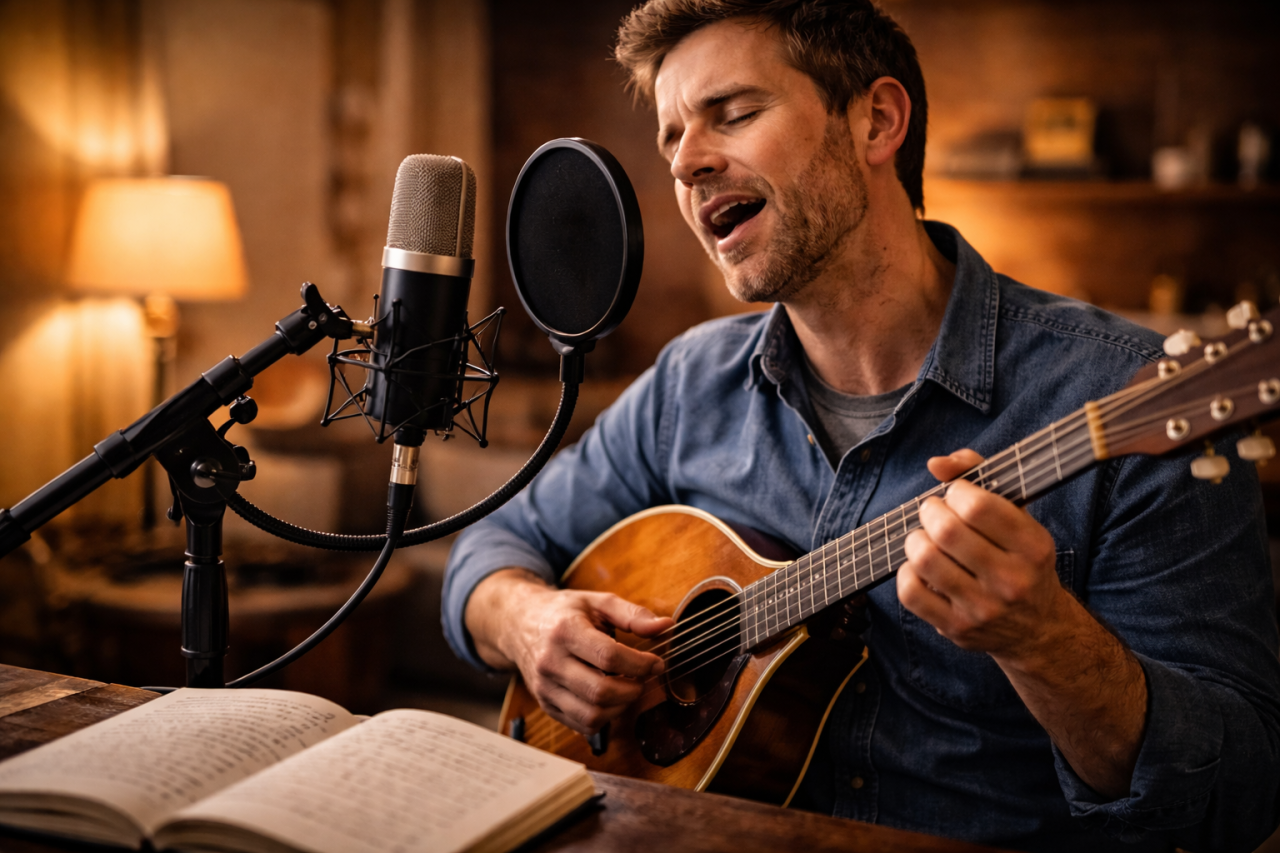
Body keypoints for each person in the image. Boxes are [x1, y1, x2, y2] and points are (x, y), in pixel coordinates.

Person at [442, 2, 1280, 850]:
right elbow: (495, 546)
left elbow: (1236, 801)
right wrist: (526, 621)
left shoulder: (1116, 391)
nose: (688, 163)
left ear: (876, 120)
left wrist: (1047, 643)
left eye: (732, 114)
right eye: (671, 141)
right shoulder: (691, 383)